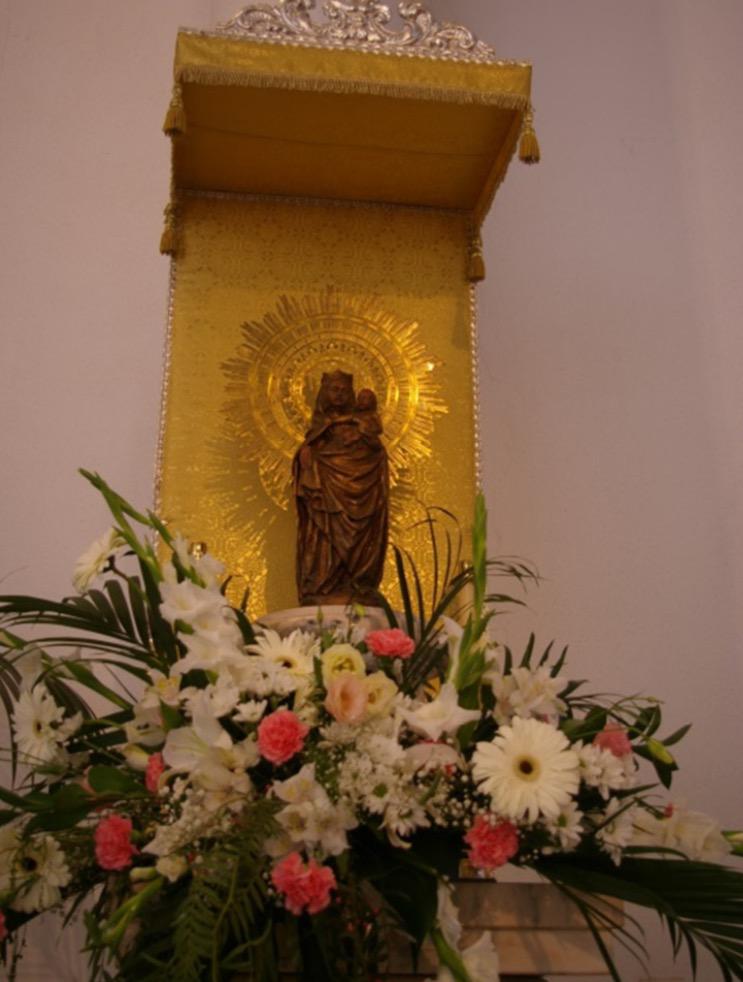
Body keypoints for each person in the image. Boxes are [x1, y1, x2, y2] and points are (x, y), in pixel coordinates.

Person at [293, 371, 389, 606]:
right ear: (324, 393)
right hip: (327, 492)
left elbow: (376, 449)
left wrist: (369, 452)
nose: (339, 395)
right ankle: (322, 585)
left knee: (362, 538)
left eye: (344, 390)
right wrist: (305, 457)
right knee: (323, 535)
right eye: (334, 389)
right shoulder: (319, 429)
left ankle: (359, 584)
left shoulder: (363, 421)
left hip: (363, 487)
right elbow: (310, 451)